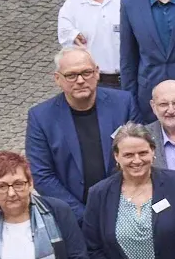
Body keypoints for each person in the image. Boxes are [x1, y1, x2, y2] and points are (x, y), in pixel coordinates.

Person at [29, 47, 139, 215]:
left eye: (86, 73)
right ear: (57, 79)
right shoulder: (41, 117)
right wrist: (82, 214)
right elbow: (42, 175)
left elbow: (139, 155)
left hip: (125, 206)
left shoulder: (123, 103)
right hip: (72, 215)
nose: (80, 80)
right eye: (71, 75)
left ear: (97, 73)